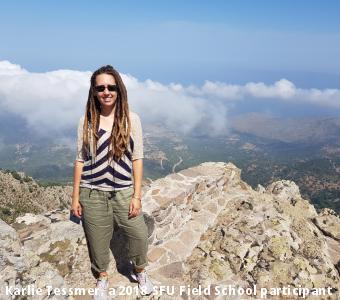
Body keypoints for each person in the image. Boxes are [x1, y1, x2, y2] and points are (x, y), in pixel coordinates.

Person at [71, 65, 153, 299]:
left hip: (124, 192)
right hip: (92, 192)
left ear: (119, 89)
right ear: (94, 92)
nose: (106, 91)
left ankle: (140, 271)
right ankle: (102, 278)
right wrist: (75, 197)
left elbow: (137, 158)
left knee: (138, 234)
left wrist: (137, 195)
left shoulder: (131, 120)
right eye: (100, 88)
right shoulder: (85, 121)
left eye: (111, 87)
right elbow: (80, 160)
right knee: (97, 243)